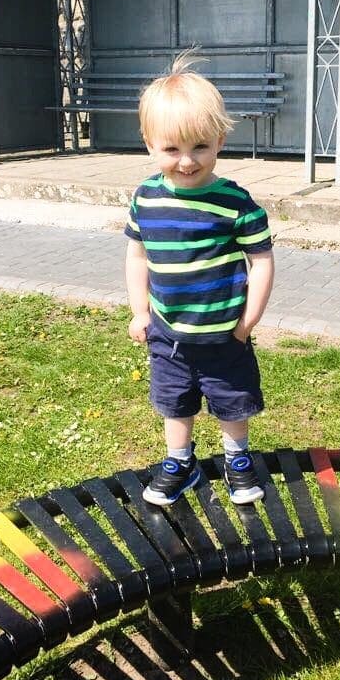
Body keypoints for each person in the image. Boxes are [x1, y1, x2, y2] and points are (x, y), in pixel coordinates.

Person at [125, 52, 275, 507]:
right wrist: (139, 311)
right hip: (168, 334)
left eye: (200, 148)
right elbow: (137, 255)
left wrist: (247, 322)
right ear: (149, 143)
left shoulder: (235, 202)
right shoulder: (146, 198)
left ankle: (236, 458)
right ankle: (180, 462)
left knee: (232, 402)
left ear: (220, 140)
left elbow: (262, 261)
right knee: (174, 402)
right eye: (172, 150)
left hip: (225, 334)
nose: (187, 161)